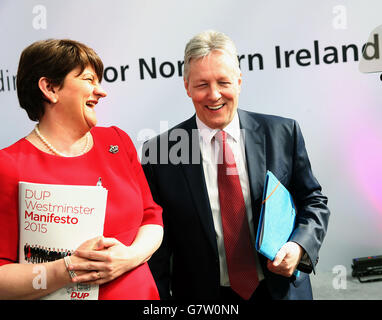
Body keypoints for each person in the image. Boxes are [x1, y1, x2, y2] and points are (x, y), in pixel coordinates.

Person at [141, 30, 330, 300]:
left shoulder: (282, 132)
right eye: (202, 84)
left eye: (223, 82)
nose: (214, 95)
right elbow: (157, 244)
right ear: (186, 87)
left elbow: (313, 200)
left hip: (280, 291)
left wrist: (299, 246)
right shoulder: (160, 152)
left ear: (239, 81)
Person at [0, 39, 163, 300]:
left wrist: (129, 257)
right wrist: (70, 268)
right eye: (89, 80)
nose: (101, 92)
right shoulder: (9, 165)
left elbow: (151, 217)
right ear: (50, 88)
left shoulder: (117, 142)